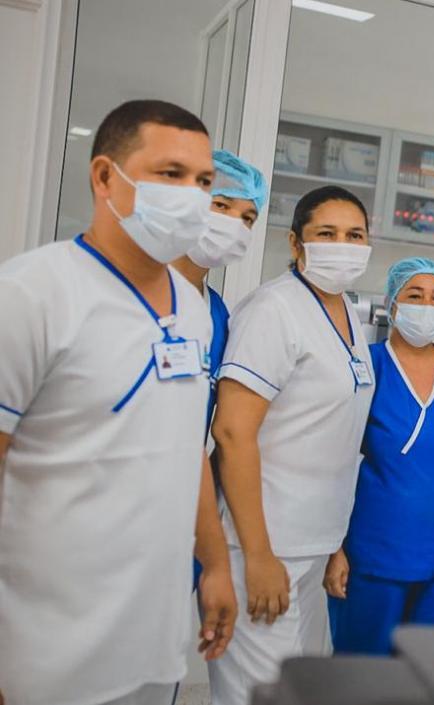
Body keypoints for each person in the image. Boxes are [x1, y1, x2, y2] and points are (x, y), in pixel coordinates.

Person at [0, 99, 235, 705]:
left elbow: (186, 447)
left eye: (203, 181)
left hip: (152, 639)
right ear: (105, 177)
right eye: (170, 174)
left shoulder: (192, 310)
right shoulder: (31, 296)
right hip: (43, 647)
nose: (193, 195)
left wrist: (215, 564)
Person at [209, 186, 375, 705]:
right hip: (265, 542)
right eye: (327, 233)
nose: (343, 245)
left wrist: (334, 544)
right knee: (258, 694)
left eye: (355, 235)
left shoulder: (347, 313)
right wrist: (258, 555)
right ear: (296, 242)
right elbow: (232, 431)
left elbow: (332, 435)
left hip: (312, 542)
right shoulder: (274, 308)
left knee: (299, 692)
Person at [325, 258, 434, 653]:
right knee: (360, 671)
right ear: (392, 303)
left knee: (417, 669)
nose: (427, 305)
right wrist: (334, 549)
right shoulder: (367, 366)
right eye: (415, 296)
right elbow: (333, 463)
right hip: (370, 555)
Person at [170, 148, 268, 425]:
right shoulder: (133, 292)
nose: (234, 224)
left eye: (247, 218)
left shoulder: (217, 314)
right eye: (221, 206)